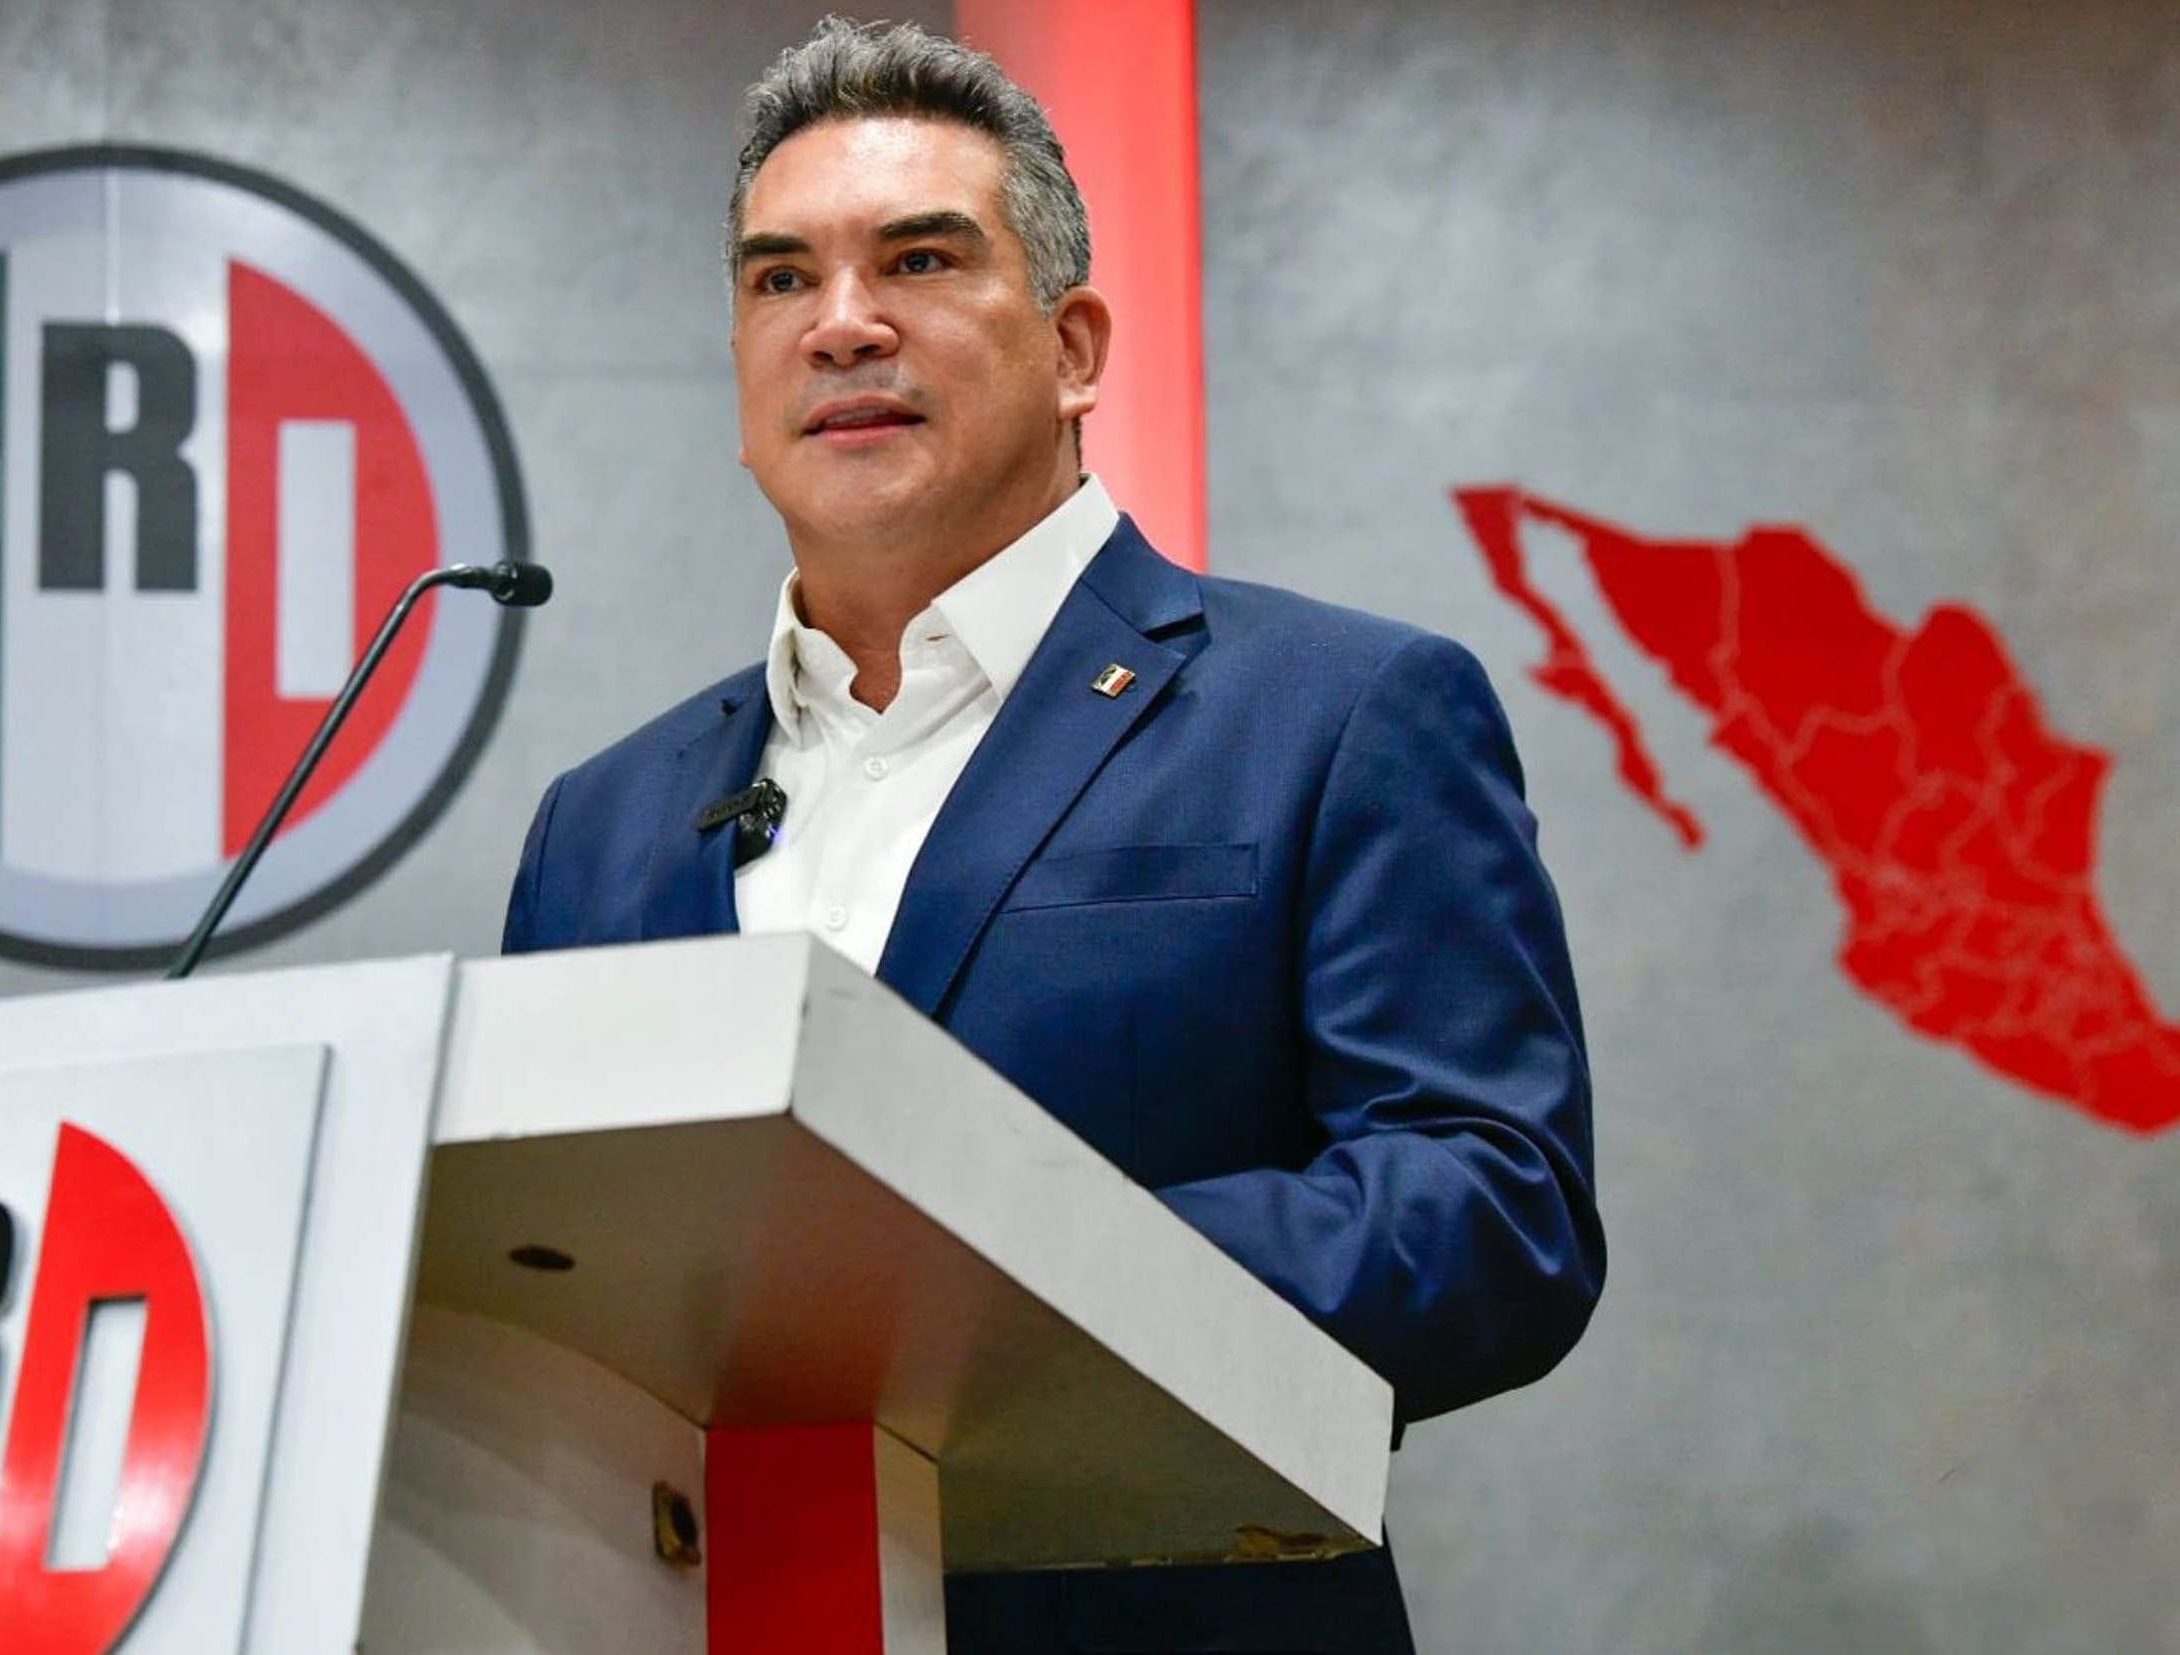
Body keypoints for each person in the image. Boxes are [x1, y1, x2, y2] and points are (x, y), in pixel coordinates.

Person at [501, 18, 1603, 1652]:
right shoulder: (600, 824)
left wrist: (990, 1286)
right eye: (782, 279)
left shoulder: (1341, 712)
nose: (842, 323)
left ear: (1075, 347)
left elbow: (1493, 1211)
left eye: (920, 259)